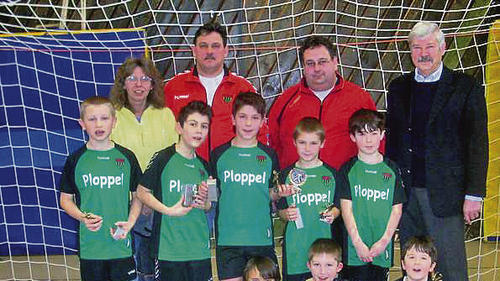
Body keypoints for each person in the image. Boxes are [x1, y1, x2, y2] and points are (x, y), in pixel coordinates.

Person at [386, 21, 488, 281]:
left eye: (430, 46)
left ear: (442, 48)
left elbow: (477, 144)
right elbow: (392, 144)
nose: (424, 53)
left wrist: (474, 194)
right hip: (406, 193)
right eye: (417, 47)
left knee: (451, 269)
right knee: (413, 268)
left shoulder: (466, 87)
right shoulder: (397, 88)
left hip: (446, 195)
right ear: (410, 52)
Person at [59, 96, 142, 281]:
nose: (99, 124)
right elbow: (65, 199)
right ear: (82, 123)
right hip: (91, 248)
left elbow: (139, 196)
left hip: (121, 245)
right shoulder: (75, 160)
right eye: (92, 119)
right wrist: (82, 217)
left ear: (114, 122)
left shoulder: (127, 157)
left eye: (104, 118)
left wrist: (130, 222)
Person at [110, 56, 178, 281]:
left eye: (144, 79)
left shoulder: (166, 115)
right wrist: (136, 199)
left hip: (158, 202)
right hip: (124, 203)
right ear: (123, 83)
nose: (138, 84)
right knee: (131, 267)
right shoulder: (112, 116)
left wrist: (150, 199)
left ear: (152, 84)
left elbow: (171, 161)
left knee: (154, 267)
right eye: (132, 78)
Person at [268, 35, 379, 171]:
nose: (316, 68)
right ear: (303, 67)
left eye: (322, 62)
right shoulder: (285, 101)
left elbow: (377, 143)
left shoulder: (360, 99)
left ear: (335, 62)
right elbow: (273, 144)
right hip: (296, 186)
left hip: (345, 187)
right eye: (310, 63)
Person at [211, 92, 289, 281]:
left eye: (254, 118)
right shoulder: (219, 154)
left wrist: (279, 193)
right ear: (233, 119)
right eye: (242, 117)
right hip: (228, 240)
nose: (248, 124)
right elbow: (214, 195)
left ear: (263, 121)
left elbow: (270, 193)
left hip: (260, 238)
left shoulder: (269, 155)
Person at [164, 19, 265, 162]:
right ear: (194, 50)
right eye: (203, 46)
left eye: (215, 46)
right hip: (186, 168)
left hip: (232, 170)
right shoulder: (173, 88)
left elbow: (260, 133)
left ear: (226, 50)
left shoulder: (243, 88)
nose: (209, 51)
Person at [136, 101, 212, 281]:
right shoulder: (163, 158)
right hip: (168, 251)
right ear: (179, 127)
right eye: (193, 124)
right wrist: (168, 210)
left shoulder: (206, 166)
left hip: (199, 250)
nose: (198, 131)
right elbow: (141, 192)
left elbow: (210, 205)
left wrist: (205, 202)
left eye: (204, 126)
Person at [339, 109, 405, 281]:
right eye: (361, 134)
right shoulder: (347, 169)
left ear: (382, 134)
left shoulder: (392, 169)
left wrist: (384, 242)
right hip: (355, 248)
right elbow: (346, 210)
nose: (368, 140)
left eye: (373, 133)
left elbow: (396, 210)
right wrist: (358, 243)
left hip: (381, 247)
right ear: (352, 137)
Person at [277, 117, 340, 281]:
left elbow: (338, 205)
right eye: (302, 142)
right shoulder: (286, 175)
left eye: (313, 143)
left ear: (322, 143)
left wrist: (333, 213)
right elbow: (281, 211)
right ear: (294, 142)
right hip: (295, 250)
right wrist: (286, 214)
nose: (307, 148)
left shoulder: (331, 174)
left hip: (324, 255)